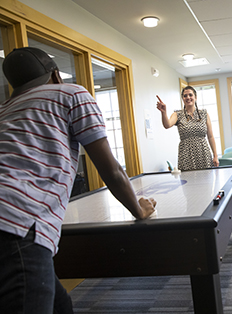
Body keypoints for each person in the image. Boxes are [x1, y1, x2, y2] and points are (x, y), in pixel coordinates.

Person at [0, 47, 156, 314]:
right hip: (19, 224)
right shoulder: (70, 94)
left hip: (12, 223)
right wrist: (139, 210)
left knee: (61, 305)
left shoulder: (5, 110)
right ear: (56, 74)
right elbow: (112, 170)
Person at [156, 86, 219, 170]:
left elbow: (210, 136)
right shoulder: (177, 114)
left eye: (190, 95)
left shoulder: (204, 114)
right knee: (188, 181)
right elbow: (167, 125)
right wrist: (164, 113)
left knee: (206, 180)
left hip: (203, 153)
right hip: (186, 155)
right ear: (182, 98)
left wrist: (215, 155)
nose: (188, 97)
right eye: (185, 96)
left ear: (195, 97)